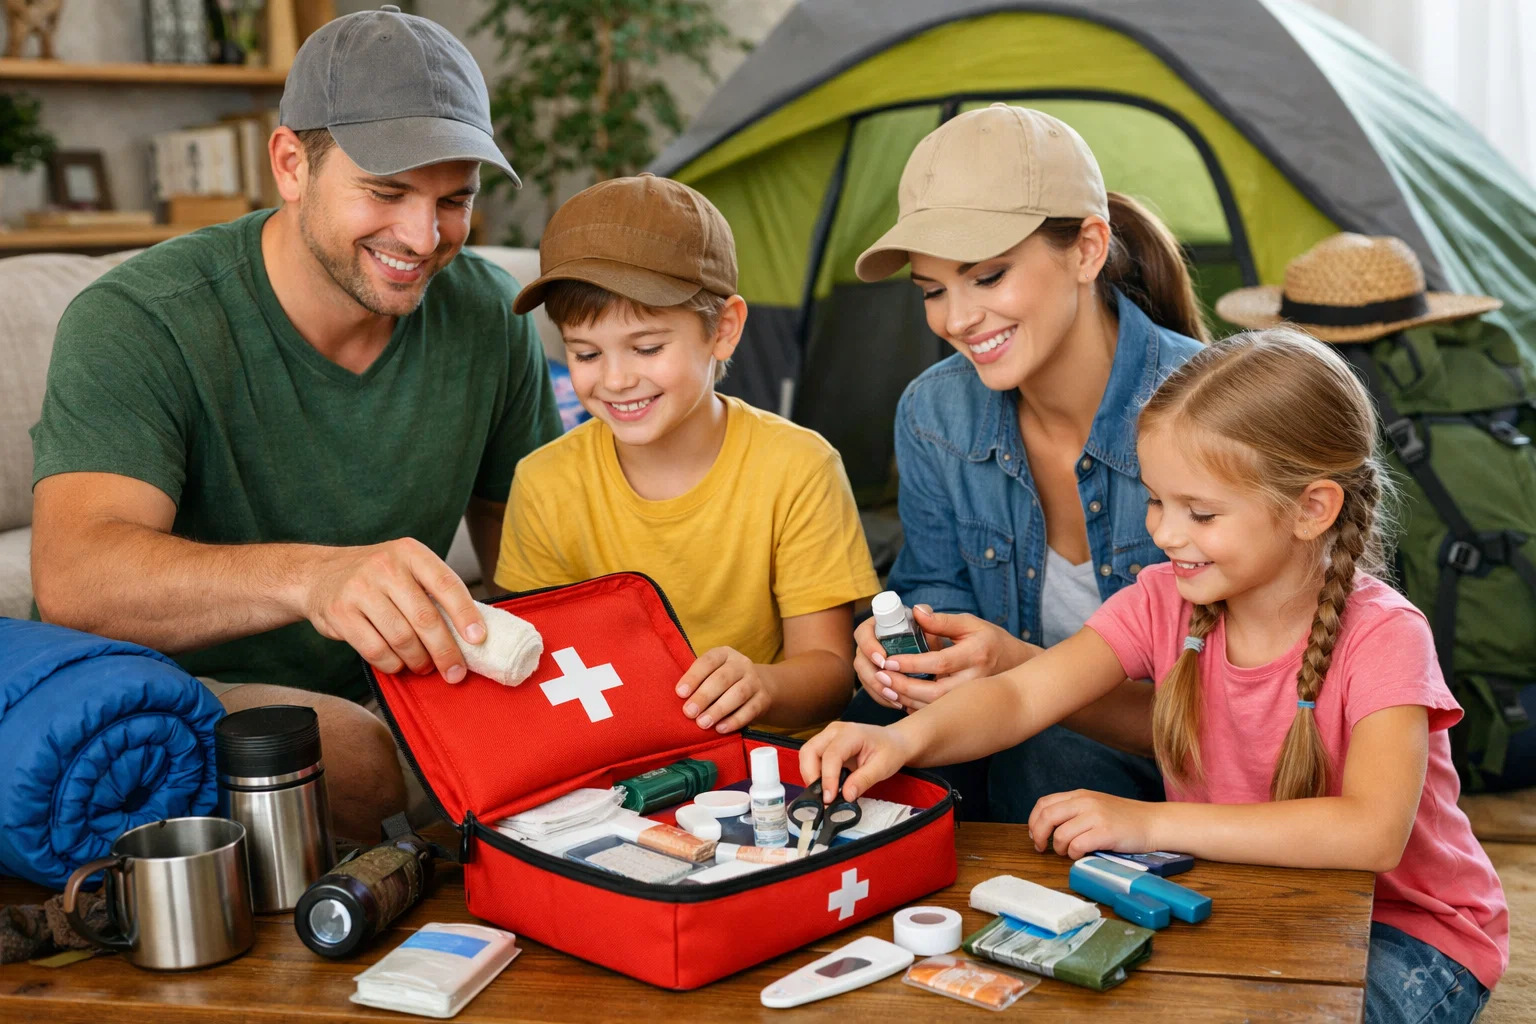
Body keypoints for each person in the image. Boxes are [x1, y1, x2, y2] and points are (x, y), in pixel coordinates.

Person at [803, 329, 1508, 1024]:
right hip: (1244, 897)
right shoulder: (1162, 597)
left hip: (1410, 933)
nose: (1167, 533)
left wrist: (1145, 822)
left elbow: (1371, 833)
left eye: (1200, 512)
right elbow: (1021, 692)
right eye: (1157, 501)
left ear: (1311, 509)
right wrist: (901, 742)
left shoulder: (1386, 636)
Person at [29, 8, 560, 839]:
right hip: (172, 692)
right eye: (386, 192)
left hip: (406, 682)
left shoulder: (488, 315)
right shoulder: (141, 319)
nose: (423, 238)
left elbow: (536, 563)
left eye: (453, 199)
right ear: (290, 164)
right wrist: (315, 579)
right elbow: (75, 577)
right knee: (343, 754)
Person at [844, 104, 1206, 820]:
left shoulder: (1211, 411)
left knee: (1046, 757)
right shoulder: (932, 414)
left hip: (1177, 757)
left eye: (987, 276)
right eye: (933, 290)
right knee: (870, 731)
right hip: (1004, 723)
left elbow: (1242, 701)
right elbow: (938, 591)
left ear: (1086, 250)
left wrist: (1017, 667)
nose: (956, 319)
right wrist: (905, 652)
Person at [495, 173, 880, 738]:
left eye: (647, 347)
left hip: (764, 770)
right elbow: (534, 666)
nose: (617, 379)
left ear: (724, 330)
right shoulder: (544, 482)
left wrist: (764, 686)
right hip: (612, 762)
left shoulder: (799, 468)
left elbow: (828, 674)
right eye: (585, 352)